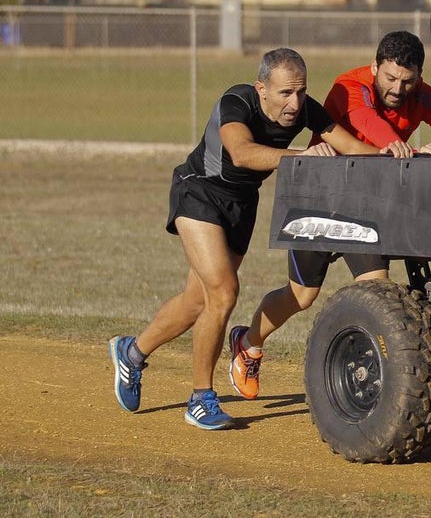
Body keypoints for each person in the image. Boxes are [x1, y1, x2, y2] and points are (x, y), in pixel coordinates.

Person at [108, 47, 386, 430]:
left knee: (196, 302)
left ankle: (132, 352)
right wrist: (304, 156)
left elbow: (352, 148)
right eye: (286, 93)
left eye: (301, 91)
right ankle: (201, 399)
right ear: (262, 89)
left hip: (241, 205)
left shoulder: (305, 110)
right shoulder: (236, 102)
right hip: (199, 192)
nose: (296, 102)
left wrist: (403, 157)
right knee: (223, 293)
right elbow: (241, 153)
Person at [228, 30, 431, 400]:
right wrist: (417, 153)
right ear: (375, 67)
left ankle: (373, 378)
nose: (398, 89)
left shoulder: (420, 95)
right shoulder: (348, 88)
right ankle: (248, 341)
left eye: (407, 81)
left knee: (377, 288)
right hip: (320, 199)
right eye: (390, 78)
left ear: (418, 77)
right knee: (301, 296)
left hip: (367, 206)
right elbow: (378, 137)